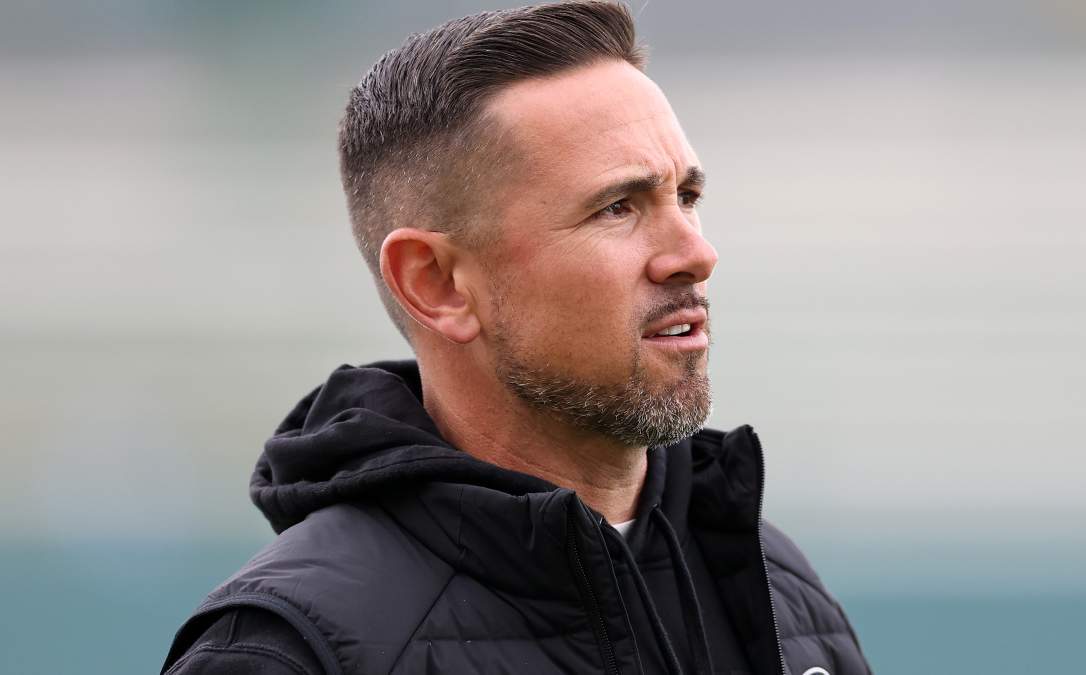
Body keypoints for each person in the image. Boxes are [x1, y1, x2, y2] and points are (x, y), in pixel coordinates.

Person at [161, 2, 871, 673]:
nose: (696, 253)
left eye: (686, 196)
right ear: (437, 283)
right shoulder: (290, 650)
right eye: (617, 207)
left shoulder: (779, 590)